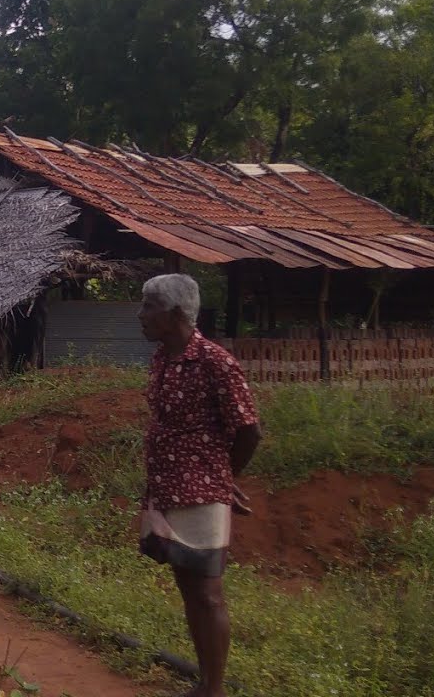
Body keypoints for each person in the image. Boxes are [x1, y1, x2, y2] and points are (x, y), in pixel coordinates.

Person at [136, 274, 261, 697]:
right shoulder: (162, 359)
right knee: (188, 588)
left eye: (149, 306)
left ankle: (214, 689)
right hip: (167, 489)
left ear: (175, 314)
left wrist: (225, 477)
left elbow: (248, 430)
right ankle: (206, 683)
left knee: (208, 594)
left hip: (203, 492)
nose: (141, 315)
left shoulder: (215, 362)